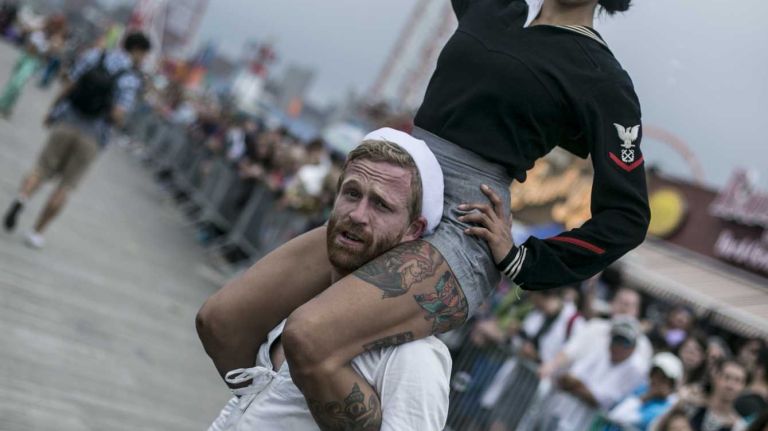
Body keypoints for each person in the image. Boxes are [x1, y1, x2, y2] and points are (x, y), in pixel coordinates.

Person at [196, 0, 650, 426]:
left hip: (461, 227)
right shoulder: (495, 8)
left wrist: (525, 261)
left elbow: (627, 215)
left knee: (308, 337)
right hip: (391, 194)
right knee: (223, 320)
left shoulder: (602, 77)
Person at [207, 132, 451, 430]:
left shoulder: (413, 356)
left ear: (414, 229)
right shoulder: (310, 301)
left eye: (380, 205)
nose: (358, 215)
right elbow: (253, 404)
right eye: (351, 194)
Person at [2, 32, 151, 247]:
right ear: (137, 50)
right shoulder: (130, 78)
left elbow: (69, 84)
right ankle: (36, 232)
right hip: (92, 136)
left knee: (41, 168)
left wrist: (52, 111)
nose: (143, 59)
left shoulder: (95, 56)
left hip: (68, 120)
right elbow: (119, 114)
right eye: (144, 54)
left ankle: (23, 197)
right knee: (66, 185)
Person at [534, 316, 648, 431]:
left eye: (624, 342)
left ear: (633, 347)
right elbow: (568, 378)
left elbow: (600, 400)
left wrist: (578, 387)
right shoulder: (601, 352)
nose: (618, 346)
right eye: (616, 339)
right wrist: (579, 387)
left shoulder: (636, 370)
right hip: (561, 414)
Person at [540, 287, 652, 379]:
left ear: (637, 311)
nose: (623, 308)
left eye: (628, 305)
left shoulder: (642, 345)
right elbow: (570, 350)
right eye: (620, 302)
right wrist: (550, 366)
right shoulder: (596, 326)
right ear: (612, 303)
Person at [0, 14, 66, 117]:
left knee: (18, 82)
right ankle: (7, 107)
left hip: (35, 61)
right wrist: (34, 28)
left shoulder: (56, 37)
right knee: (13, 81)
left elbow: (57, 48)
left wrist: (53, 44)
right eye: (53, 22)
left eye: (57, 24)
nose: (54, 25)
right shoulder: (41, 26)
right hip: (25, 55)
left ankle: (3, 105)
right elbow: (24, 29)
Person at [607, 352, 684, 430]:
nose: (656, 381)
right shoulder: (642, 390)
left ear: (671, 384)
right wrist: (646, 397)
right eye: (654, 375)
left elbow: (621, 419)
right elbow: (614, 415)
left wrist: (647, 396)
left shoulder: (668, 407)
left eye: (662, 379)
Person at [684, 359, 749, 431]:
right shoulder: (691, 406)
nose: (731, 385)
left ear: (744, 386)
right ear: (716, 377)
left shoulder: (738, 426)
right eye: (727, 377)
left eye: (737, 381)